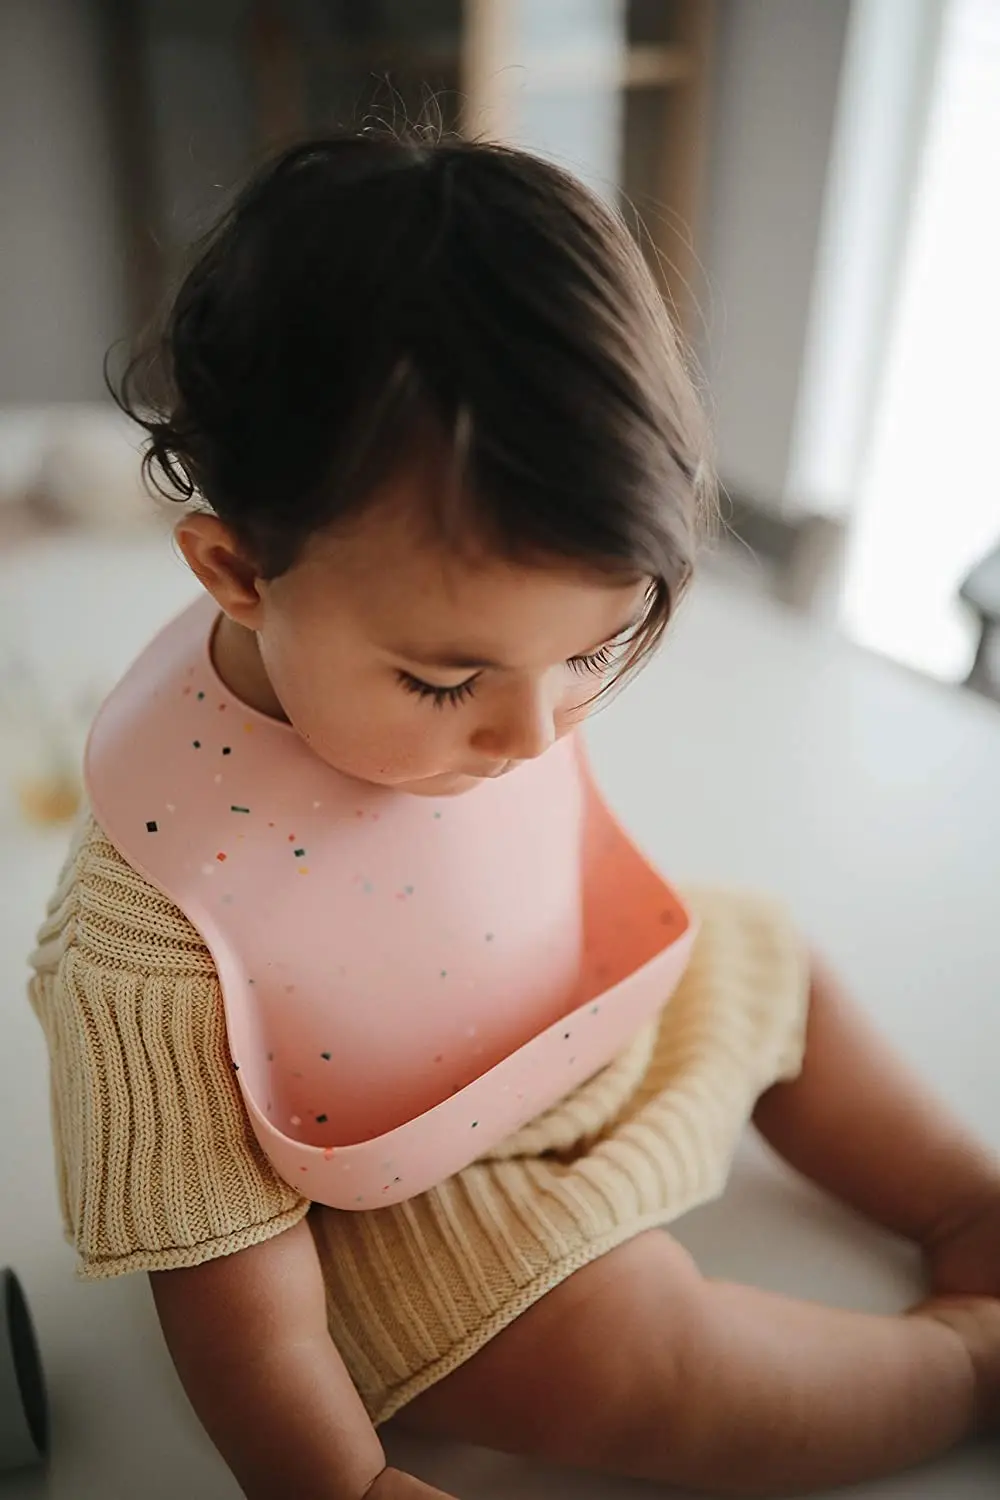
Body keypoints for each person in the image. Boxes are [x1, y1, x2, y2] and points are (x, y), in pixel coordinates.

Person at [27, 131, 1000, 1500]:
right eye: (446, 681)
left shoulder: (495, 664)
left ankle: (970, 1203)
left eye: (593, 652)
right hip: (391, 1208)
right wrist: (339, 1483)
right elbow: (223, 1276)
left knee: (771, 955)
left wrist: (494, 684)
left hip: (572, 1013)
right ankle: (963, 1367)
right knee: (620, 1353)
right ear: (237, 572)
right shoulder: (152, 923)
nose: (534, 734)